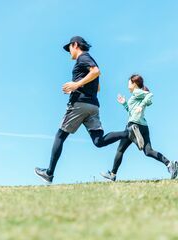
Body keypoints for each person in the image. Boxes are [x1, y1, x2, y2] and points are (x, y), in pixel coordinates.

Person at [34, 36, 139, 183]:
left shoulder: (83, 58)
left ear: (75, 45)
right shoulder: (87, 60)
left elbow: (96, 71)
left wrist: (76, 86)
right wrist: (77, 87)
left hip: (79, 105)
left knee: (60, 135)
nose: (69, 52)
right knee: (98, 141)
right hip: (93, 106)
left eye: (69, 48)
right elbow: (98, 86)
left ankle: (49, 173)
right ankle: (128, 133)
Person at [100, 74, 178, 181]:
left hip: (133, 124)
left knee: (120, 150)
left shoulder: (138, 92)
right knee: (148, 151)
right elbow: (132, 111)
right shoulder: (135, 96)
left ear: (134, 83)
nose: (127, 86)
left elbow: (150, 95)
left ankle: (113, 173)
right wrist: (125, 104)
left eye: (129, 83)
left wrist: (141, 106)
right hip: (143, 126)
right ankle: (169, 164)